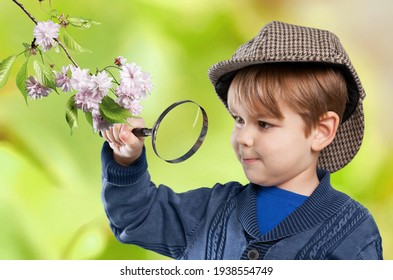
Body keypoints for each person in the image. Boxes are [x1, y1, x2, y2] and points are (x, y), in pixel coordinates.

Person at [101, 21, 383, 259]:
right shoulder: (211, 210)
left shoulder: (354, 234)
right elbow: (137, 217)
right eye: (238, 119)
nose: (244, 138)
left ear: (322, 130)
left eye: (264, 124)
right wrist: (126, 159)